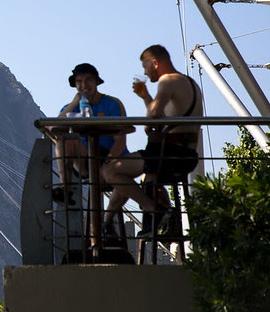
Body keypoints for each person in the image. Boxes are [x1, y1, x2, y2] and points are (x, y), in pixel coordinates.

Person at [101, 44, 202, 236]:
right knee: (133, 175)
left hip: (168, 155)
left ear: (155, 63)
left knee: (109, 171)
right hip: (187, 154)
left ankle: (153, 209)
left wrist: (149, 120)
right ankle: (159, 215)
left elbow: (154, 114)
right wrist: (146, 96)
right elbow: (162, 116)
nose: (145, 73)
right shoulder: (189, 83)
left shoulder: (167, 81)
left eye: (145, 66)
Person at [53, 63, 128, 229]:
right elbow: (54, 128)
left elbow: (121, 140)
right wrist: (74, 103)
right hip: (85, 159)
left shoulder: (112, 104)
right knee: (64, 139)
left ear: (96, 82)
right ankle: (66, 189)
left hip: (112, 157)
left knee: (126, 183)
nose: (83, 85)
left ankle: (106, 222)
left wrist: (108, 165)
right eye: (79, 81)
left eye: (88, 80)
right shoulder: (70, 108)